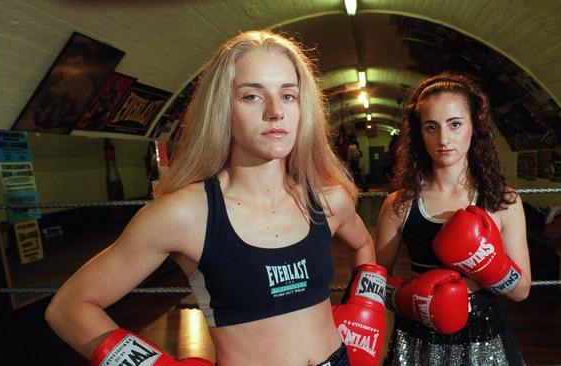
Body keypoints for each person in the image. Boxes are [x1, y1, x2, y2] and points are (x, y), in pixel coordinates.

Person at [45, 30, 387, 366]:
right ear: (223, 108)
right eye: (252, 96)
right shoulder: (184, 215)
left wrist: (364, 309)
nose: (275, 111)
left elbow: (363, 246)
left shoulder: (328, 201)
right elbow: (69, 308)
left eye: (288, 95)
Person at [375, 71, 531, 365]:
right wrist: (408, 299)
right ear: (419, 133)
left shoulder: (502, 201)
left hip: (485, 337)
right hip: (418, 337)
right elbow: (373, 282)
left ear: (475, 127)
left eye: (455, 124)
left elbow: (521, 291)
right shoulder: (399, 204)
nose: (444, 139)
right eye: (431, 127)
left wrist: (490, 267)